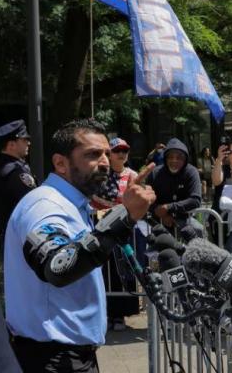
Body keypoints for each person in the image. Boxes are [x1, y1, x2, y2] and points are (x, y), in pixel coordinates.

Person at [4, 118, 156, 372]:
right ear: (61, 163)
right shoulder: (45, 206)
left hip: (71, 356)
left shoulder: (72, 204)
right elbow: (59, 266)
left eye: (107, 154)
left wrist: (124, 213)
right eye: (93, 154)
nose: (106, 162)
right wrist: (126, 217)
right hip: (53, 358)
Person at [90, 137, 139, 332]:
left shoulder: (132, 175)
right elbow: (91, 196)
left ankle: (120, 314)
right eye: (117, 150)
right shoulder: (99, 175)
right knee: (102, 271)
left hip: (123, 229)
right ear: (109, 153)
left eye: (125, 150)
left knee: (121, 271)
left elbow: (135, 198)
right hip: (100, 229)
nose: (121, 154)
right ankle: (104, 314)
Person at [0, 119, 37, 258]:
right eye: (24, 140)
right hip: (19, 240)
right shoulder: (15, 173)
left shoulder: (6, 168)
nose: (28, 143)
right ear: (11, 145)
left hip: (12, 238)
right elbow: (33, 206)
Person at [146, 138, 204, 234]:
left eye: (179, 157)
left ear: (185, 159)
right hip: (158, 221)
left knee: (199, 230)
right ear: (165, 158)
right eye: (170, 157)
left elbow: (195, 199)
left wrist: (169, 207)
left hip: (185, 219)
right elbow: (147, 200)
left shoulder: (191, 172)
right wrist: (162, 215)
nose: (174, 160)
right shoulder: (155, 173)